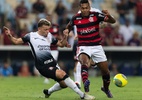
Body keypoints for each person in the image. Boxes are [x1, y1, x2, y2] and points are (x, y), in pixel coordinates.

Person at [3, 18, 95, 100]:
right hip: (42, 66)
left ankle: (48, 92)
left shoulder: (49, 36)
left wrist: (65, 36)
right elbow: (15, 41)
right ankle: (83, 95)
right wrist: (9, 35)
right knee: (63, 74)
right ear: (39, 29)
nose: (47, 31)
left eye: (48, 29)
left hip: (53, 63)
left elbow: (61, 44)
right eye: (45, 29)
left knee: (64, 84)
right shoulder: (30, 36)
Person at [64, 0, 116, 98]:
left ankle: (106, 88)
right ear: (80, 8)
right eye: (82, 8)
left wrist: (109, 16)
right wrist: (67, 30)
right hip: (83, 46)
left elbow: (113, 21)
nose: (84, 10)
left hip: (97, 46)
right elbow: (69, 26)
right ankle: (85, 82)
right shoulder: (75, 18)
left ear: (89, 8)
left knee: (105, 72)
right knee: (84, 62)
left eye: (86, 8)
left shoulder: (96, 15)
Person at [73, 0, 102, 89]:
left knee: (90, 63)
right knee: (79, 62)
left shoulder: (96, 12)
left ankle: (92, 64)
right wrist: (75, 34)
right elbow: (75, 25)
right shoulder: (79, 13)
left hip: (94, 41)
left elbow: (102, 23)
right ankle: (78, 83)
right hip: (81, 41)